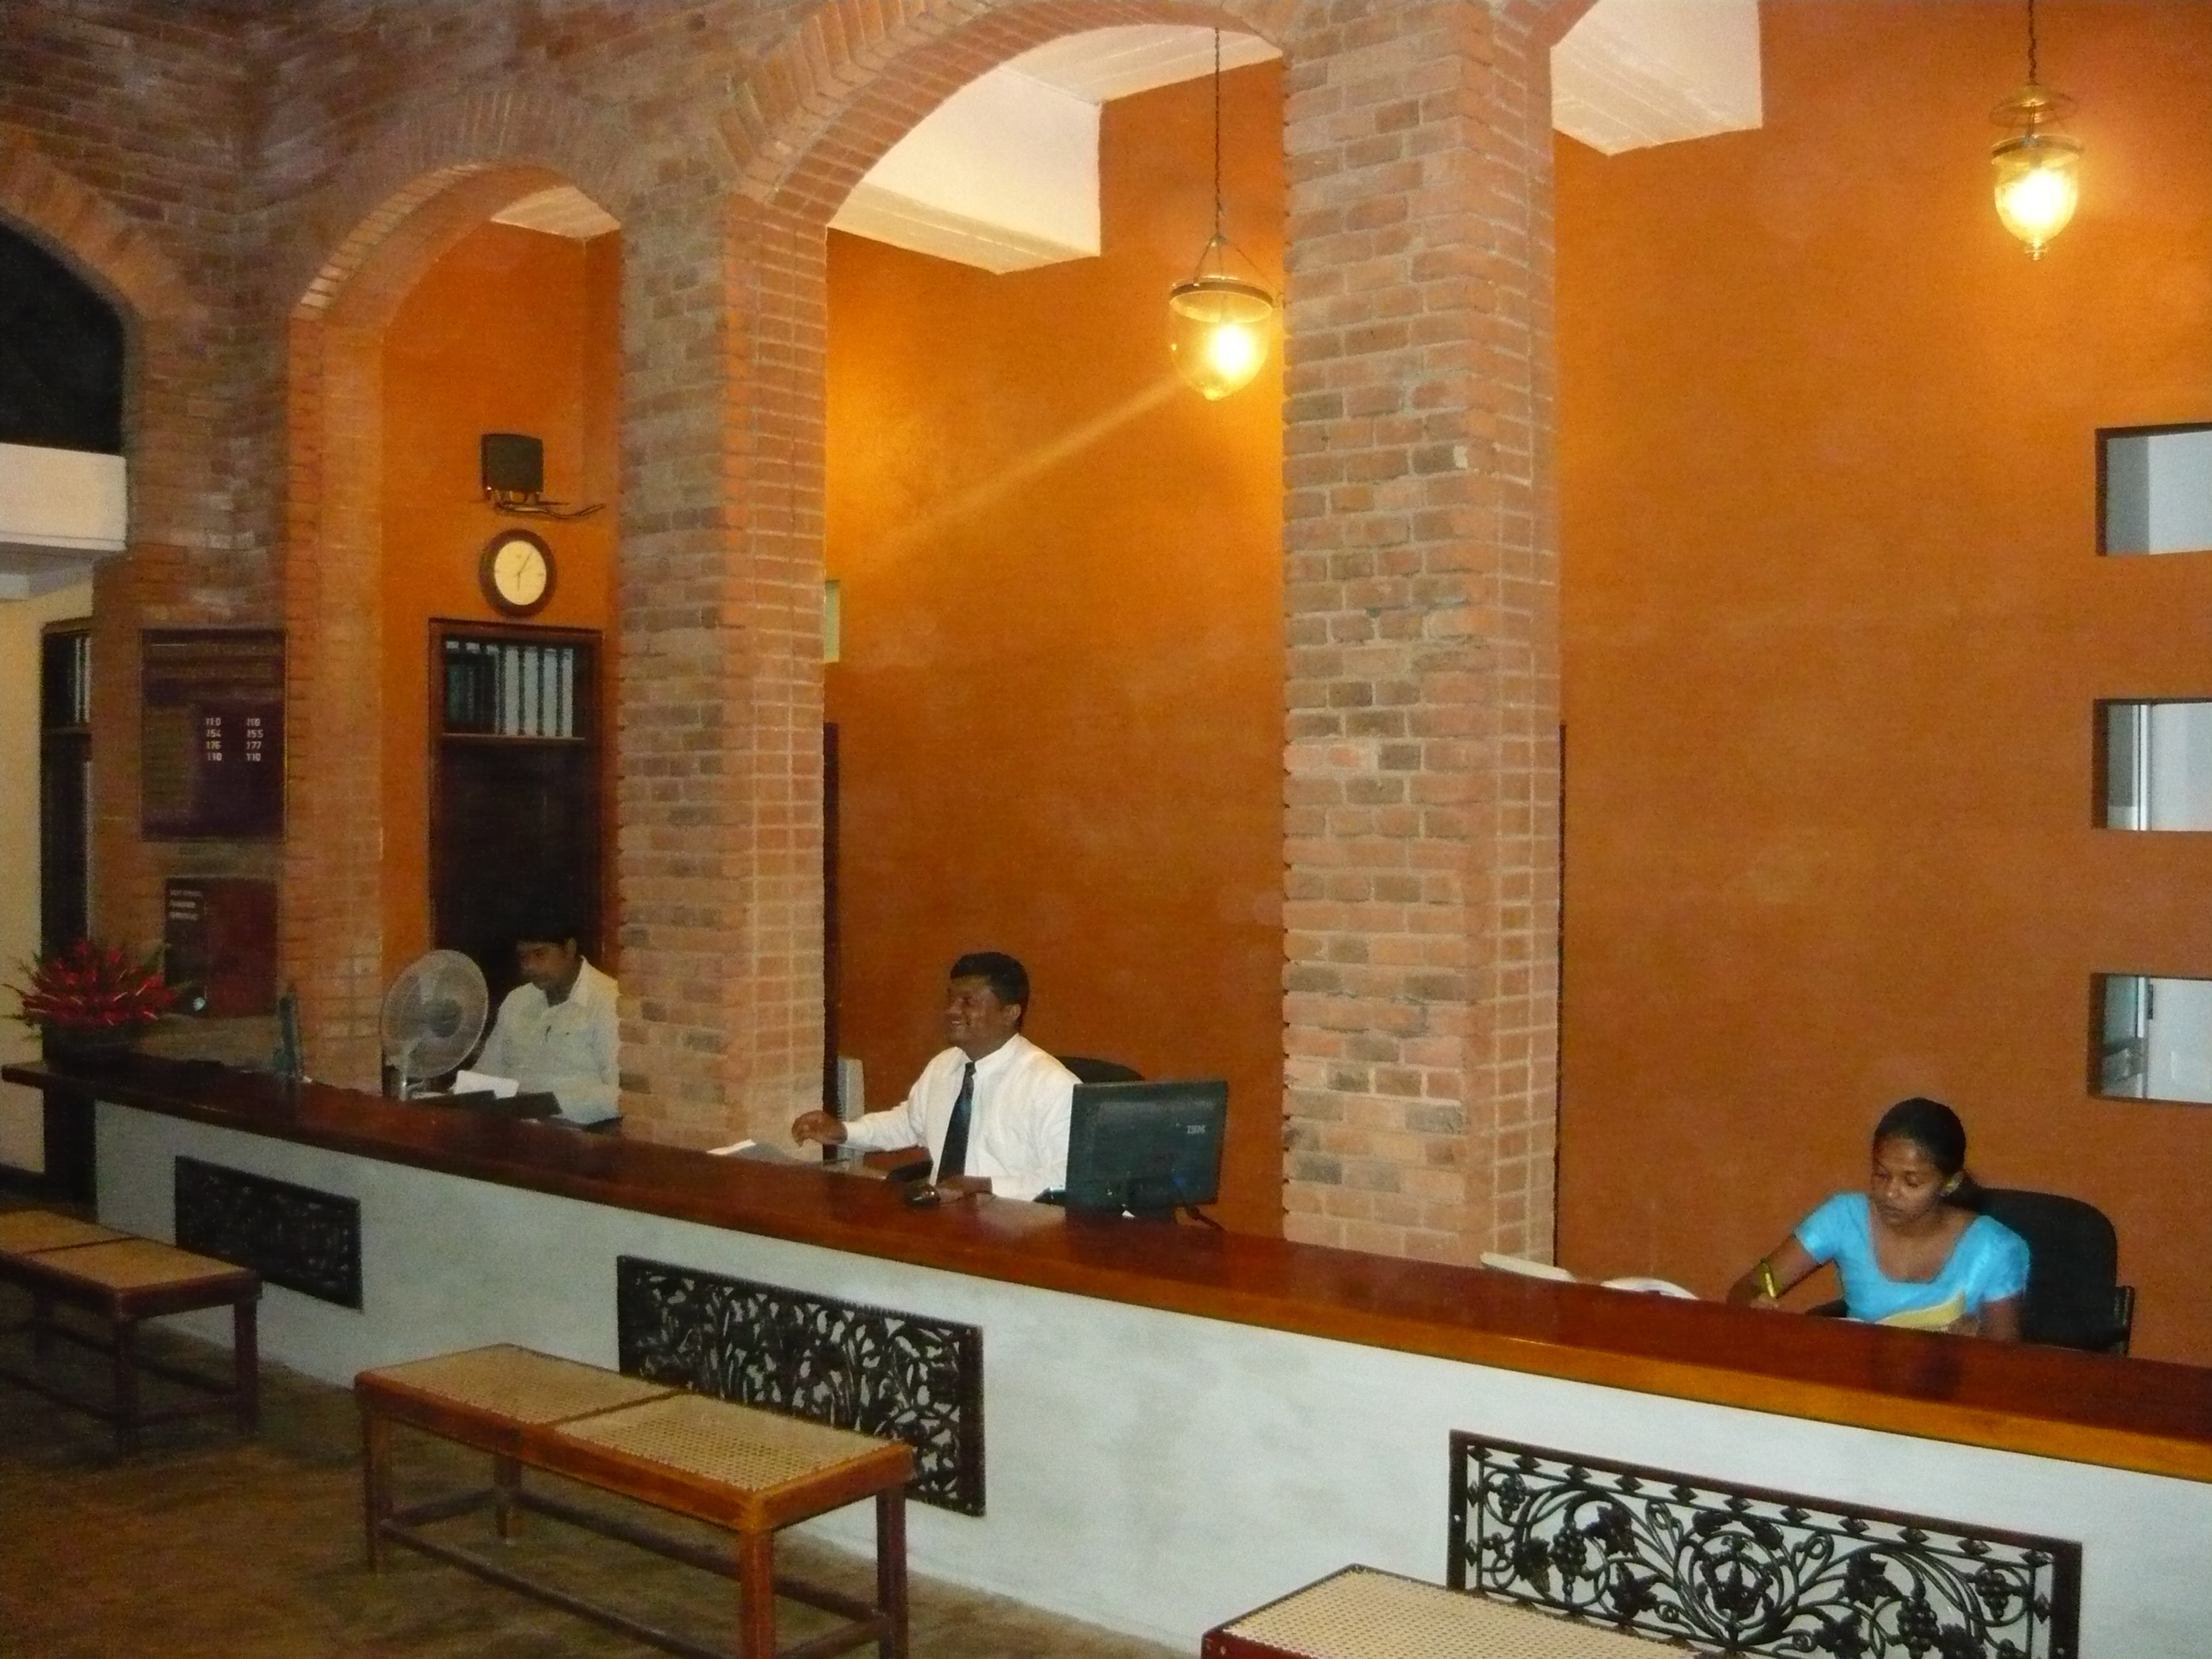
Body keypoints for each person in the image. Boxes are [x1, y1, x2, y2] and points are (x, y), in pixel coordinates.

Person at [1727, 1096, 2026, 1338]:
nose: (1890, 1193)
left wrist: (1975, 1342)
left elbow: (2005, 1358)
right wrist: (1753, 1303)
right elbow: (1748, 1287)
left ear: (1950, 1183)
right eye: (1881, 1175)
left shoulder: (1995, 1249)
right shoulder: (1844, 1218)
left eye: (1911, 1182)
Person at [791, 951, 1074, 1202]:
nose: (952, 1011)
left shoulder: (1051, 1085)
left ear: (1010, 1012)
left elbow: (1067, 1177)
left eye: (968, 1002)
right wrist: (844, 1132)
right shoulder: (945, 1065)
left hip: (1016, 1226)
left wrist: (987, 1186)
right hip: (943, 1216)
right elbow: (910, 1123)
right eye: (951, 1000)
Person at [474, 914, 620, 1125]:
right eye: (523, 957)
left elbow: (620, 1094)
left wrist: (540, 1105)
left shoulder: (608, 1001)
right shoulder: (517, 1001)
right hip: (509, 1125)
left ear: (569, 949)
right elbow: (487, 1072)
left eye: (539, 954)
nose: (529, 967)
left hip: (573, 1130)